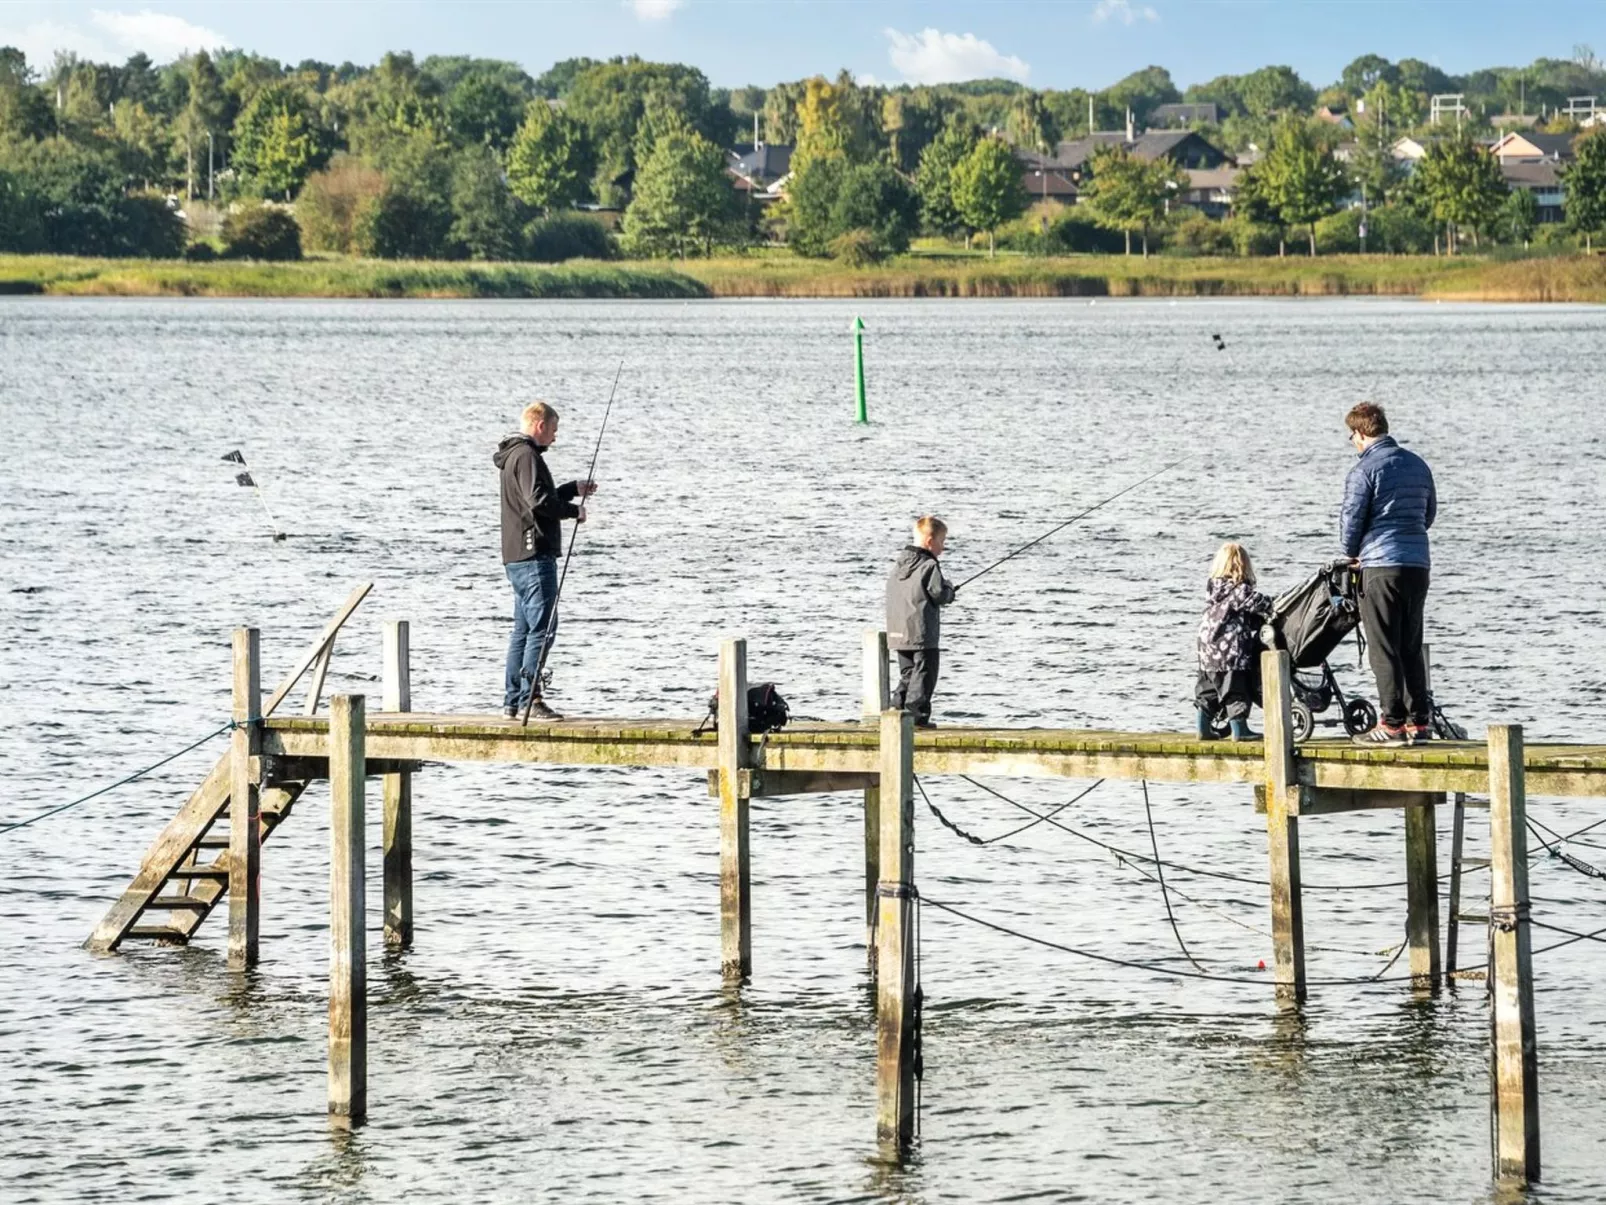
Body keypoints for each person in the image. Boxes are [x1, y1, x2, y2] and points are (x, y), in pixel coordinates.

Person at [1338, 401, 1437, 746]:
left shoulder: (1364, 470)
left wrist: (1351, 553)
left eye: (1352, 436)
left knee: (1382, 647)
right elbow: (1428, 514)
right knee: (1410, 644)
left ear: (1361, 433)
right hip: (1417, 565)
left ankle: (1392, 724)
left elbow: (1352, 521)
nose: (1353, 442)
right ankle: (1418, 723)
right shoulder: (1417, 464)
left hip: (1380, 565)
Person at [493, 401, 597, 721]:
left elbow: (536, 498)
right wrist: (573, 511)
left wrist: (569, 490)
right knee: (543, 628)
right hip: (534, 556)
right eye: (553, 430)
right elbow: (539, 503)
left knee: (523, 630)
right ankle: (530, 699)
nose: (554, 437)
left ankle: (514, 700)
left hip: (517, 556)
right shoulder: (527, 456)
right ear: (539, 425)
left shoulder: (514, 455)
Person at [1195, 541, 1272, 742]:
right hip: (1229, 650)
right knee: (1235, 689)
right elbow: (1260, 603)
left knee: (1208, 689)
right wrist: (1273, 604)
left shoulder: (1213, 588)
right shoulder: (1240, 590)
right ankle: (1240, 730)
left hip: (1206, 648)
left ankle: (1203, 728)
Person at [885, 515, 956, 728]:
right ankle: (916, 718)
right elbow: (939, 594)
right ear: (930, 541)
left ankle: (896, 711)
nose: (943, 548)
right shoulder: (929, 565)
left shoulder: (899, 564)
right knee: (924, 675)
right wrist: (950, 590)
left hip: (898, 631)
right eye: (942, 542)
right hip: (922, 632)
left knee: (908, 674)